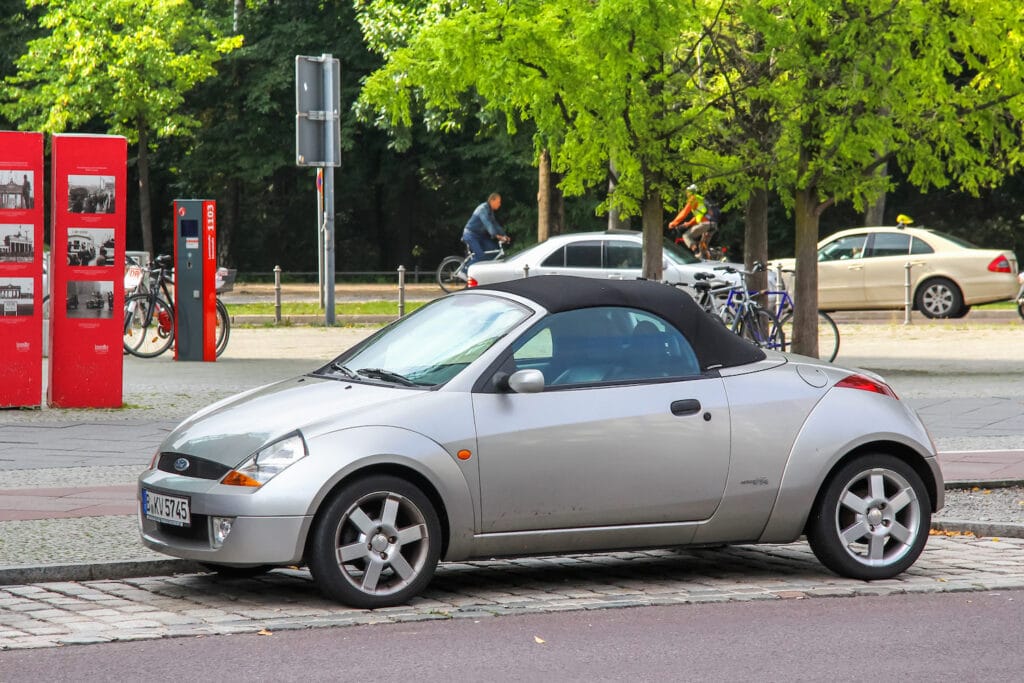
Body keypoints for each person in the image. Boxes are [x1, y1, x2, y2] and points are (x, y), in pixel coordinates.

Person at [461, 192, 510, 272]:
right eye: (498, 202)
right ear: (492, 201)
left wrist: (504, 235)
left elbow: (495, 225)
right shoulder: (483, 209)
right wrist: (496, 235)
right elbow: (487, 223)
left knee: (493, 251)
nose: (500, 204)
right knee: (480, 255)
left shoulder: (490, 211)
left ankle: (482, 272)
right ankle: (465, 271)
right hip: (470, 235)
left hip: (480, 236)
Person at [668, 184, 714, 255]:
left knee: (686, 236)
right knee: (702, 248)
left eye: (687, 192)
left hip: (704, 224)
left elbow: (684, 213)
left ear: (691, 192)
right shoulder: (700, 198)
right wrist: (689, 223)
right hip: (711, 224)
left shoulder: (692, 199)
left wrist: (673, 223)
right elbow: (700, 215)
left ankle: (696, 252)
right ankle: (711, 256)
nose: (686, 193)